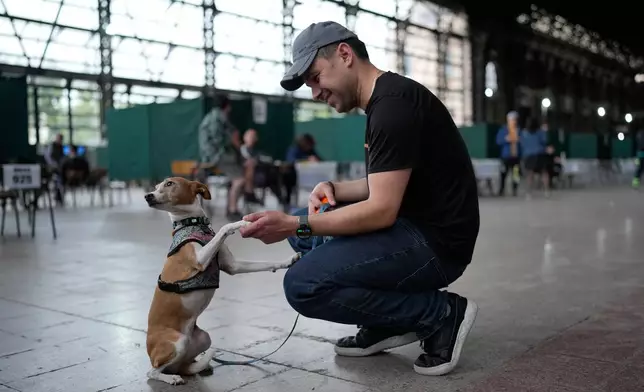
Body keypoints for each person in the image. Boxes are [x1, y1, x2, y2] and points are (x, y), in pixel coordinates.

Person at [239, 21, 480, 376]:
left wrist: (296, 224)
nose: (315, 92)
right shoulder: (386, 100)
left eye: (316, 77)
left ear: (345, 55)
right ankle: (387, 321)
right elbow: (384, 183)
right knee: (300, 227)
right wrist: (335, 189)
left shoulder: (394, 106)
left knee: (303, 284)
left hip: (437, 245)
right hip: (413, 226)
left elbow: (381, 210)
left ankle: (439, 314)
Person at [197, 95, 260, 221]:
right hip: (217, 156)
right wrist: (234, 140)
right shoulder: (219, 117)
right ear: (227, 106)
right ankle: (233, 209)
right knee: (239, 179)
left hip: (215, 155)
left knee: (248, 165)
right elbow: (220, 139)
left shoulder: (212, 116)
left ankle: (248, 192)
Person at [520, 118, 549, 197]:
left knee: (530, 174)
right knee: (544, 173)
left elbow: (522, 144)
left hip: (528, 155)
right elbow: (544, 141)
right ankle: (546, 191)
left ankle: (529, 192)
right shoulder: (540, 132)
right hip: (539, 154)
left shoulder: (523, 133)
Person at [496, 111, 521, 196]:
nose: (514, 121)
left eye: (515, 119)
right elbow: (498, 141)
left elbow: (523, 142)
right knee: (503, 173)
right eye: (512, 119)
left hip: (516, 156)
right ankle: (501, 190)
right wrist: (506, 139)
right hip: (506, 156)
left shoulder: (518, 130)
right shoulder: (503, 130)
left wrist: (519, 140)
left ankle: (515, 189)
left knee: (515, 174)